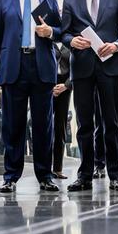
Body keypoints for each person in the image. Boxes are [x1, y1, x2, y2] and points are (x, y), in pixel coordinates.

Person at [0, 0, 63, 193]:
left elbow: (62, 32)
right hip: (13, 67)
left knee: (43, 126)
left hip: (41, 68)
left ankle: (45, 176)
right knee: (13, 126)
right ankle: (10, 176)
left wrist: (50, 32)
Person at [62, 0, 118, 192]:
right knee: (84, 124)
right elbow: (63, 34)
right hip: (82, 69)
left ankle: (116, 174)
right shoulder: (70, 2)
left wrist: (116, 46)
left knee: (111, 123)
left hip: (109, 66)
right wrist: (73, 41)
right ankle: (85, 174)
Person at [51, 42, 72, 179]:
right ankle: (44, 168)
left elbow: (76, 67)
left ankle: (58, 168)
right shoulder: (47, 41)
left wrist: (66, 86)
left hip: (65, 87)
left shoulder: (70, 44)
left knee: (61, 127)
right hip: (47, 86)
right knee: (44, 127)